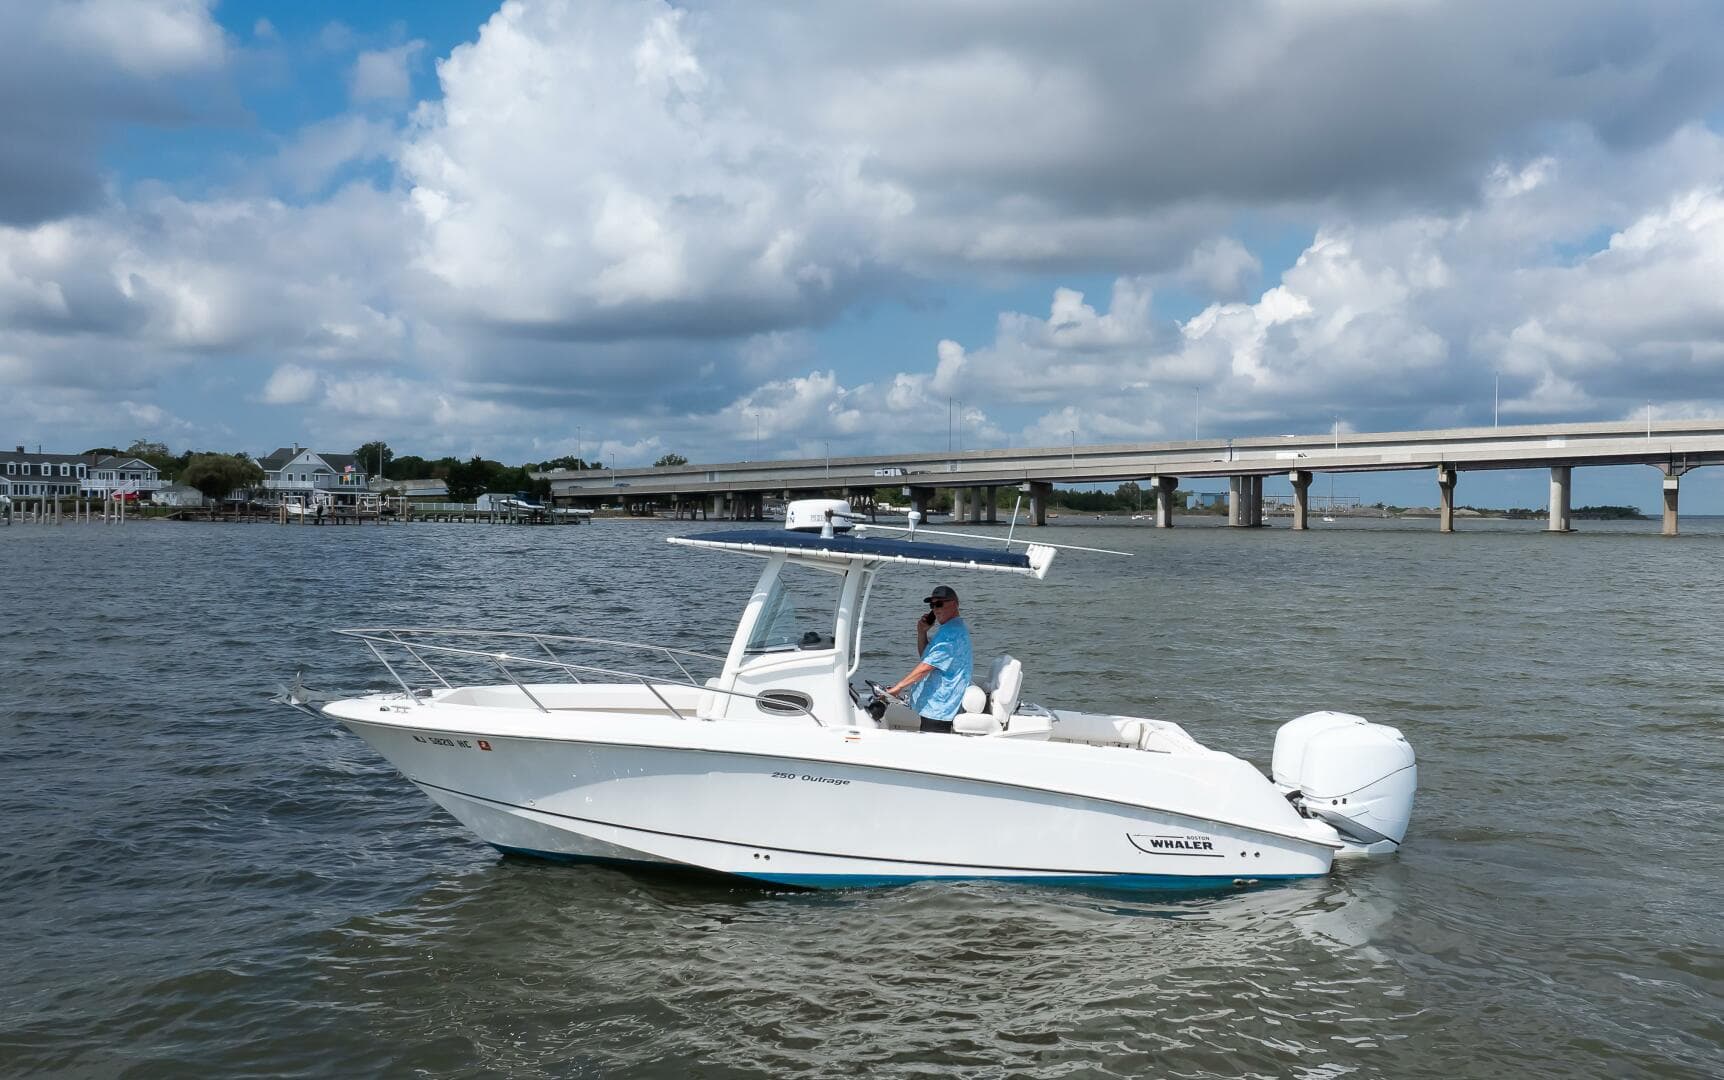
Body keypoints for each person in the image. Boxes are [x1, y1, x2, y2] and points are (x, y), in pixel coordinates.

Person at [883, 584, 973, 733]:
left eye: (939, 604)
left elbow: (926, 667)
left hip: (939, 708)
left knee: (931, 752)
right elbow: (926, 656)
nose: (935, 609)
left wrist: (898, 688)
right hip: (935, 705)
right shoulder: (948, 629)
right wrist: (922, 632)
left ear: (955, 604)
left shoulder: (951, 635)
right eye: (932, 605)